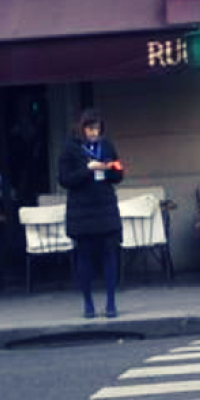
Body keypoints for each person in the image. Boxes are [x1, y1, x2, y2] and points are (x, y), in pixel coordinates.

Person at [57, 108, 124, 319]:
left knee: (109, 254)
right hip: (82, 209)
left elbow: (118, 172)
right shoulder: (70, 149)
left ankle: (111, 302)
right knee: (84, 256)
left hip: (105, 205)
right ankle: (88, 303)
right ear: (82, 128)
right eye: (90, 129)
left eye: (97, 129)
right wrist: (88, 170)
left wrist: (113, 169)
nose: (94, 133)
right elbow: (64, 179)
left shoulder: (106, 145)